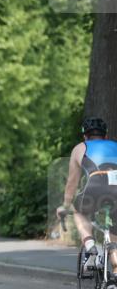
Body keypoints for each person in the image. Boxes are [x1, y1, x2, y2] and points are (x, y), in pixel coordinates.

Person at [56, 117, 117, 273]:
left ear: (85, 135)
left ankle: (90, 248)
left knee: (79, 211)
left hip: (96, 185)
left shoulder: (79, 148)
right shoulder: (115, 145)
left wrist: (65, 205)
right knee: (114, 236)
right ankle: (114, 284)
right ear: (106, 135)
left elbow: (72, 182)